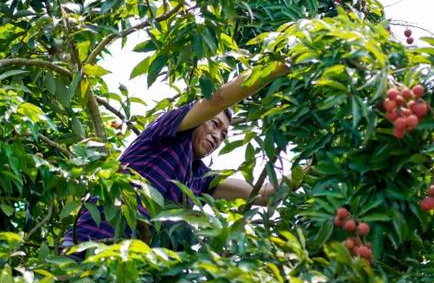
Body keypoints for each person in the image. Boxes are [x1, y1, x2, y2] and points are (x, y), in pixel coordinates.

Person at [62, 62, 290, 248]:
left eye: (223, 135)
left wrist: (315, 163)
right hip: (89, 243)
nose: (217, 136)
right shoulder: (168, 130)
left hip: (127, 277)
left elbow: (264, 195)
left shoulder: (200, 178)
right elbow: (219, 99)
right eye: (214, 124)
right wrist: (279, 66)